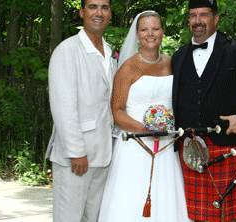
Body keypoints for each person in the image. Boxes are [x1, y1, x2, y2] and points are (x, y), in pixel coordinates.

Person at [171, 0, 236, 221]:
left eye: (204, 15)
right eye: (193, 15)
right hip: (189, 151)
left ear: (216, 18)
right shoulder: (179, 56)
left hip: (226, 149)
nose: (197, 21)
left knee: (226, 217)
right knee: (190, 216)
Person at [98, 10, 191, 222]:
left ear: (162, 32)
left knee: (165, 200)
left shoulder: (172, 63)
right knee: (132, 202)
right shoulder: (128, 68)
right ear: (137, 34)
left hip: (167, 148)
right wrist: (146, 130)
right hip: (135, 146)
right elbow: (117, 111)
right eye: (144, 29)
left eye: (155, 28)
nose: (150, 34)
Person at [46, 0, 116, 221]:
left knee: (92, 218)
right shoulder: (67, 50)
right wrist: (76, 151)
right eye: (93, 7)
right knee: (69, 216)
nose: (99, 12)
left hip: (104, 152)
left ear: (110, 14)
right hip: (76, 156)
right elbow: (63, 105)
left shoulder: (110, 51)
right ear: (82, 12)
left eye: (104, 7)